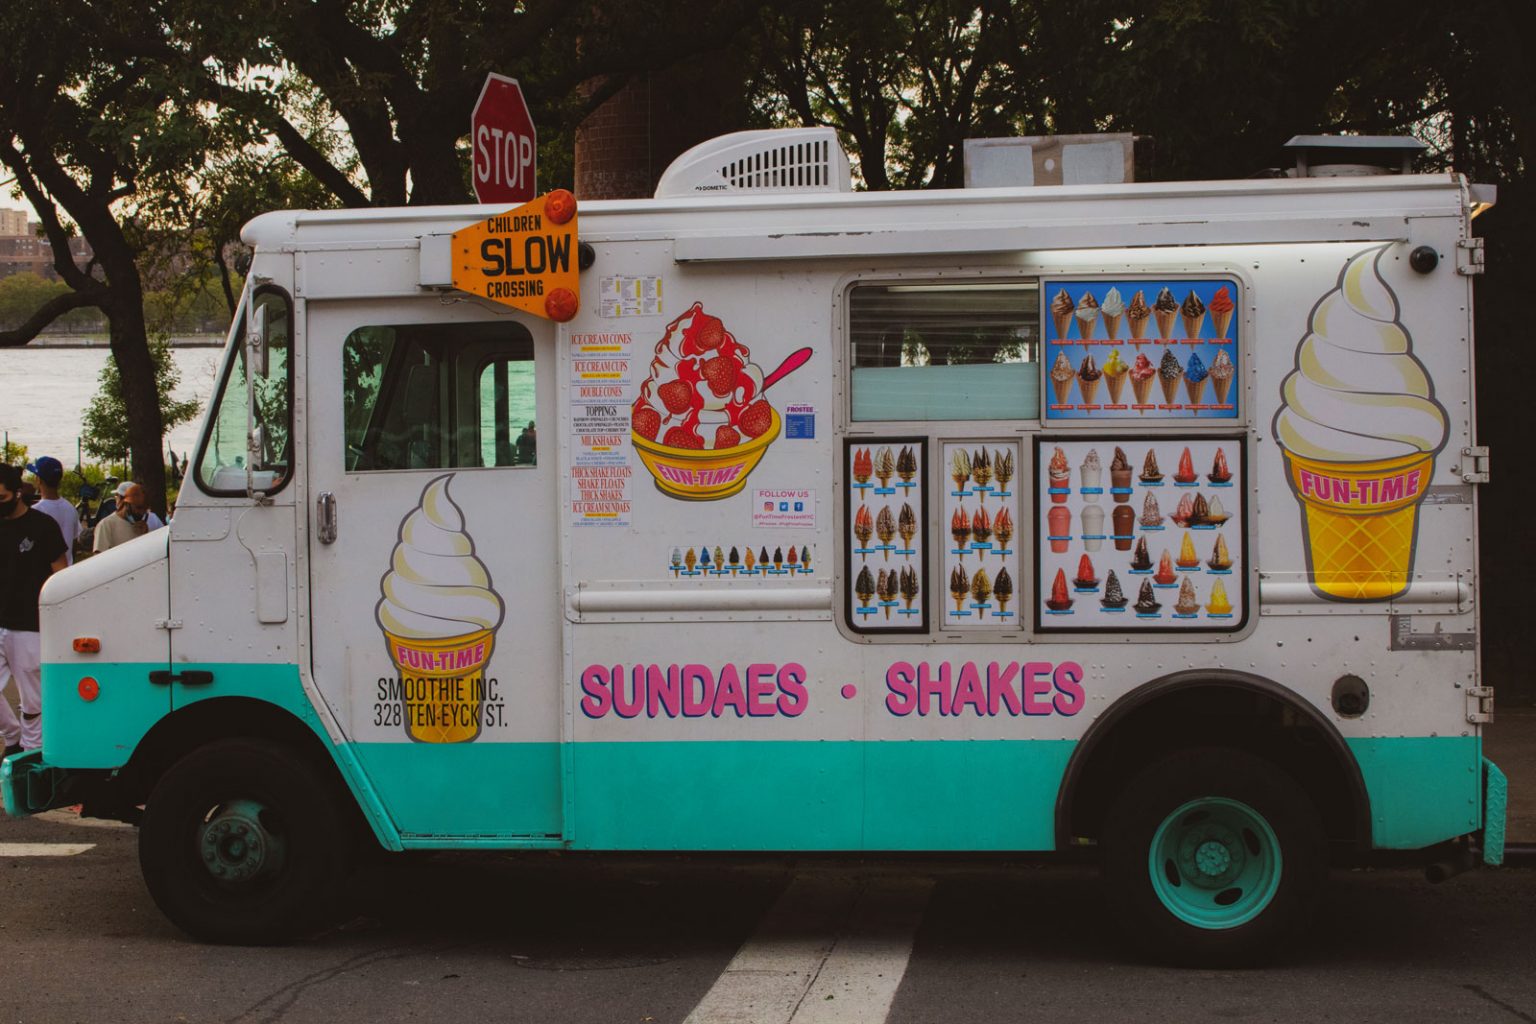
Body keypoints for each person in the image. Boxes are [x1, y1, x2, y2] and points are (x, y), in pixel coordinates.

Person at [0, 464, 68, 755]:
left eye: (1, 498)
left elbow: (60, 575)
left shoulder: (43, 526)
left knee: (32, 698)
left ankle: (31, 751)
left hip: (30, 623)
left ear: (18, 492)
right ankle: (11, 735)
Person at [26, 456, 83, 566]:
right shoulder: (70, 508)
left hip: (45, 573)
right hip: (66, 570)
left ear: (39, 480)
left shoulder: (35, 511)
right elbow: (75, 542)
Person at [93, 482, 151, 552]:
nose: (141, 512)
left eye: (145, 509)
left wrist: (145, 535)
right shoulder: (106, 525)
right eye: (138, 508)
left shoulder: (143, 527)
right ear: (126, 503)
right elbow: (99, 557)